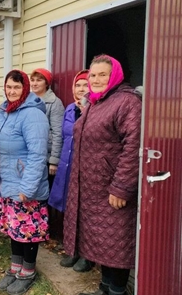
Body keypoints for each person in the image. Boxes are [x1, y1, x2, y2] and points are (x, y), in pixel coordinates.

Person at [64, 55, 141, 295]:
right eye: (92, 75)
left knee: (116, 244)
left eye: (102, 75)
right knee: (103, 244)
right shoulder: (96, 102)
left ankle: (117, 290)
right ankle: (104, 288)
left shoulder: (126, 103)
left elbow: (133, 146)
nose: (96, 80)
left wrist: (121, 188)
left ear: (115, 76)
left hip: (111, 190)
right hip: (91, 188)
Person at [0, 70, 50, 295]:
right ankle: (15, 267)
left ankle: (28, 271)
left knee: (28, 230)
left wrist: (27, 187)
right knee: (14, 228)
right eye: (8, 87)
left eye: (16, 87)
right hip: (9, 179)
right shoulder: (6, 111)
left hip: (25, 183)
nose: (11, 91)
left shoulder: (32, 114)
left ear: (25, 88)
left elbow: (38, 155)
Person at [48, 70, 94, 272]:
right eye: (78, 85)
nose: (81, 89)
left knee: (85, 211)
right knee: (69, 208)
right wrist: (56, 161)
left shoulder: (95, 109)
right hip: (67, 165)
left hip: (85, 167)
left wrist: (85, 111)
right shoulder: (68, 109)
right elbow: (63, 136)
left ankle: (87, 255)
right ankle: (72, 249)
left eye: (85, 85)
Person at [29, 69, 64, 178]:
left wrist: (54, 160)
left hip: (45, 156)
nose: (34, 83)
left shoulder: (54, 103)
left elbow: (58, 133)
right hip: (29, 153)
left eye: (39, 80)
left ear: (46, 83)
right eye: (32, 80)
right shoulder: (27, 101)